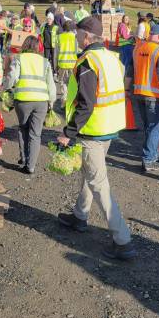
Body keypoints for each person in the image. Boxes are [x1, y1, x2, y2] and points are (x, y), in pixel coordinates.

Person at [56, 16, 136, 261]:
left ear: (87, 36)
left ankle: (122, 240)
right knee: (90, 176)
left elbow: (86, 103)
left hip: (93, 129)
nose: (77, 38)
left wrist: (68, 133)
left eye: (79, 34)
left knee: (99, 184)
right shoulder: (110, 58)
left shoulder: (88, 61)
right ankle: (80, 216)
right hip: (109, 127)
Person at [3, 35, 56, 174]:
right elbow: (51, 84)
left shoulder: (19, 59)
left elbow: (12, 77)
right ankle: (31, 166)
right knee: (35, 134)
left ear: (25, 45)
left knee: (23, 129)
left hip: (23, 100)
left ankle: (24, 158)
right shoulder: (45, 62)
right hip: (41, 102)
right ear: (38, 47)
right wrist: (51, 102)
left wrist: (7, 88)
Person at [126, 25, 159, 172]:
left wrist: (126, 90)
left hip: (139, 94)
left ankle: (152, 154)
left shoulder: (137, 49)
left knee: (149, 126)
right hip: (154, 96)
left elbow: (129, 73)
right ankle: (149, 160)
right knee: (155, 128)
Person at [57, 20, 78, 107]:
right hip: (73, 63)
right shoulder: (75, 37)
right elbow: (77, 50)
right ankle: (72, 100)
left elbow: (57, 51)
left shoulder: (59, 37)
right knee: (72, 82)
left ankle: (64, 100)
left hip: (62, 63)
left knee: (62, 82)